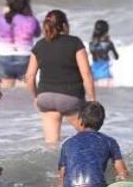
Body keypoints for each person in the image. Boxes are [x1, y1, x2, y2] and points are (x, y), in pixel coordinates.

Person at [26, 9, 95, 144]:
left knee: (51, 144)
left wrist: (36, 97)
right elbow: (86, 73)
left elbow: (29, 77)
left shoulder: (39, 45)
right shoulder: (75, 43)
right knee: (90, 136)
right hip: (70, 98)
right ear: (64, 26)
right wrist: (92, 99)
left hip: (45, 98)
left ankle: (54, 165)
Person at [58, 101, 129, 187]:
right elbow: (122, 172)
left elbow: (62, 175)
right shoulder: (109, 141)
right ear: (102, 122)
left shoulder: (67, 143)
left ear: (80, 120)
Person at [0, 0, 41, 88]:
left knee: (6, 92)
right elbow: (38, 33)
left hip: (5, 55)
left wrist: (5, 12)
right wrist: (30, 14)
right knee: (25, 92)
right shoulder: (31, 20)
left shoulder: (0, 18)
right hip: (24, 56)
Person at [89, 20, 120, 87]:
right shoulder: (109, 44)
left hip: (94, 76)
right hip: (106, 75)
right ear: (106, 31)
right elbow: (116, 57)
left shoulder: (91, 44)